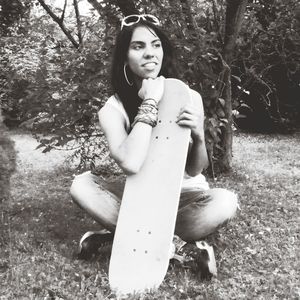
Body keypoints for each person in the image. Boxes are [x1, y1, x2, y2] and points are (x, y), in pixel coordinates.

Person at [70, 15, 238, 263]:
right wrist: (149, 101)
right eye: (138, 46)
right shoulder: (112, 109)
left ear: (163, 51)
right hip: (138, 196)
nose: (149, 53)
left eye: (155, 44)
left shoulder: (189, 97)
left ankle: (123, 236)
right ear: (125, 57)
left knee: (225, 201)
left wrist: (199, 136)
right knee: (81, 186)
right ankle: (177, 244)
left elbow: (194, 169)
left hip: (185, 196)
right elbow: (130, 163)